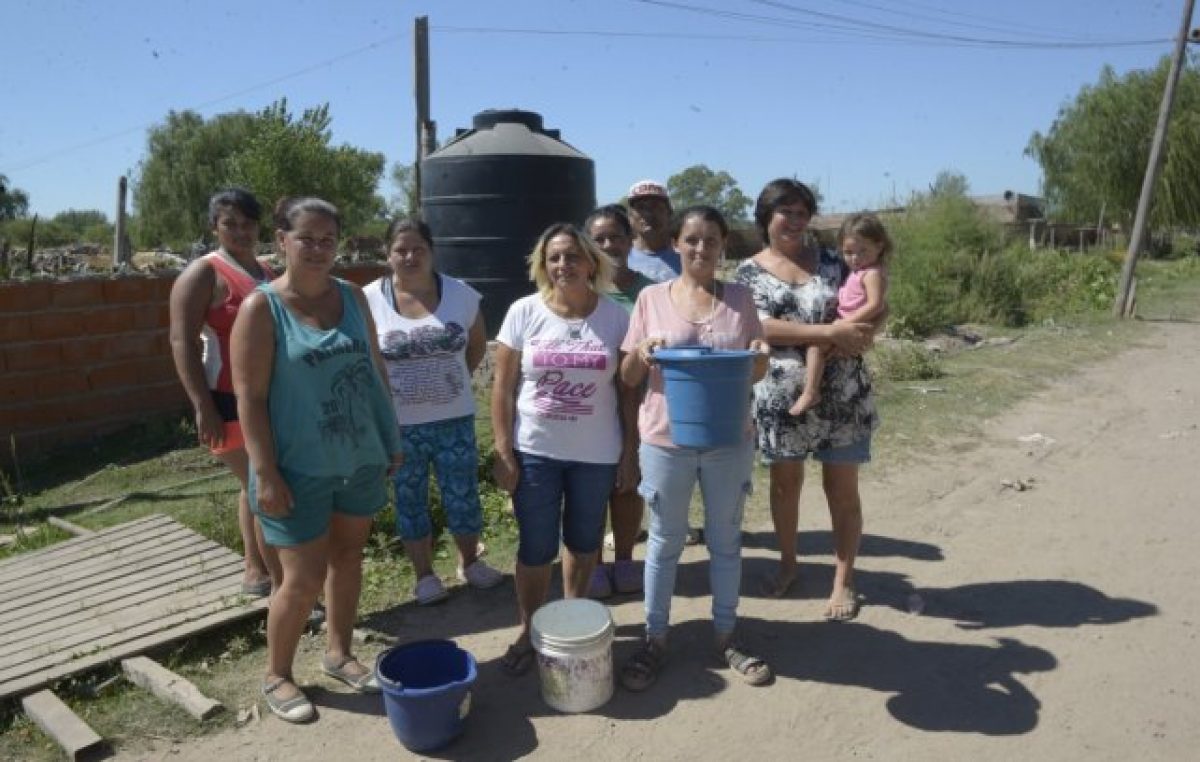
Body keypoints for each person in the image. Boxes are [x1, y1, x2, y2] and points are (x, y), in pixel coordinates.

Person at [232, 197, 404, 723]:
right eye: (306, 238)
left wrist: (389, 437)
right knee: (301, 579)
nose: (318, 249)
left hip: (358, 458)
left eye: (328, 239)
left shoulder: (354, 296)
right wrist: (264, 473)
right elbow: (250, 400)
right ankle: (277, 675)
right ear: (281, 241)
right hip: (297, 467)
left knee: (348, 558)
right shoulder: (261, 308)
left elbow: (374, 369)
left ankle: (338, 655)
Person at [619, 205, 772, 692]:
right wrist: (643, 354)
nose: (701, 249)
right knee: (664, 541)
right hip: (666, 438)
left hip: (729, 439)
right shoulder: (650, 299)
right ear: (677, 244)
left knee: (725, 538)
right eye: (691, 240)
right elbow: (627, 377)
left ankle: (727, 634)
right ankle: (655, 637)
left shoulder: (741, 300)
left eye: (710, 240)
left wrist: (762, 358)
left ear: (723, 245)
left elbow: (758, 368)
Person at [490, 223, 636, 676]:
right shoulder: (523, 311)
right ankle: (529, 631)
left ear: (592, 263)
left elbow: (627, 390)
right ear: (542, 264)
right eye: (554, 257)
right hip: (535, 450)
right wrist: (502, 447)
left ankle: (573, 625)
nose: (563, 265)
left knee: (584, 540)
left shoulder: (615, 317)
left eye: (572, 256)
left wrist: (630, 452)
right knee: (535, 547)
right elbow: (502, 385)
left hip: (596, 452)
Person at [732, 179, 880, 621]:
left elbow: (868, 305)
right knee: (785, 486)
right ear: (766, 217)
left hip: (843, 394)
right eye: (786, 213)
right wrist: (828, 333)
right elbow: (758, 327)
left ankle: (844, 579)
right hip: (780, 398)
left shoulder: (838, 261)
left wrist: (866, 332)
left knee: (842, 490)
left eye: (802, 213)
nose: (795, 222)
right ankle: (789, 565)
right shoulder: (747, 273)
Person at [363, 217, 502, 605]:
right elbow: (369, 359)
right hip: (399, 425)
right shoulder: (368, 299)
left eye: (418, 249)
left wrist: (446, 382)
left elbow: (475, 348)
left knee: (463, 493)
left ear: (431, 251)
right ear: (387, 254)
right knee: (410, 498)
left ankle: (470, 562)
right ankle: (424, 576)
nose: (410, 257)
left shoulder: (461, 295)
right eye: (400, 250)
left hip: (454, 419)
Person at [168, 188, 279, 597]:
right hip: (226, 398)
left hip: (269, 398)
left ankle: (255, 570)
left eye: (248, 223)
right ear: (214, 226)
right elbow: (181, 341)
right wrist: (202, 407)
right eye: (230, 223)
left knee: (253, 483)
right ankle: (280, 581)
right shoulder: (203, 273)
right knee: (262, 481)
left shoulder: (266, 271)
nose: (240, 231)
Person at [583, 205, 654, 598]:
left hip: (639, 404)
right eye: (599, 238)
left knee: (628, 483)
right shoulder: (579, 288)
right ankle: (592, 562)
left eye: (616, 236)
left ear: (630, 241)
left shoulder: (649, 292)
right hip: (588, 407)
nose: (609, 244)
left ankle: (625, 559)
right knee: (589, 490)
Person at [790, 213, 892, 415]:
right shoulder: (859, 270)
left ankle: (811, 392)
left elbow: (876, 305)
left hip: (852, 324)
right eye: (848, 252)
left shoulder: (872, 273)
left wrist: (845, 324)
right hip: (847, 323)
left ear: (879, 246)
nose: (855, 257)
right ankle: (815, 389)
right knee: (822, 350)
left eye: (863, 250)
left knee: (816, 346)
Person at [625, 179, 682, 283]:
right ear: (630, 216)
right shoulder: (621, 256)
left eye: (655, 206)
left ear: (669, 213)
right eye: (641, 208)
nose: (648, 214)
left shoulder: (686, 255)